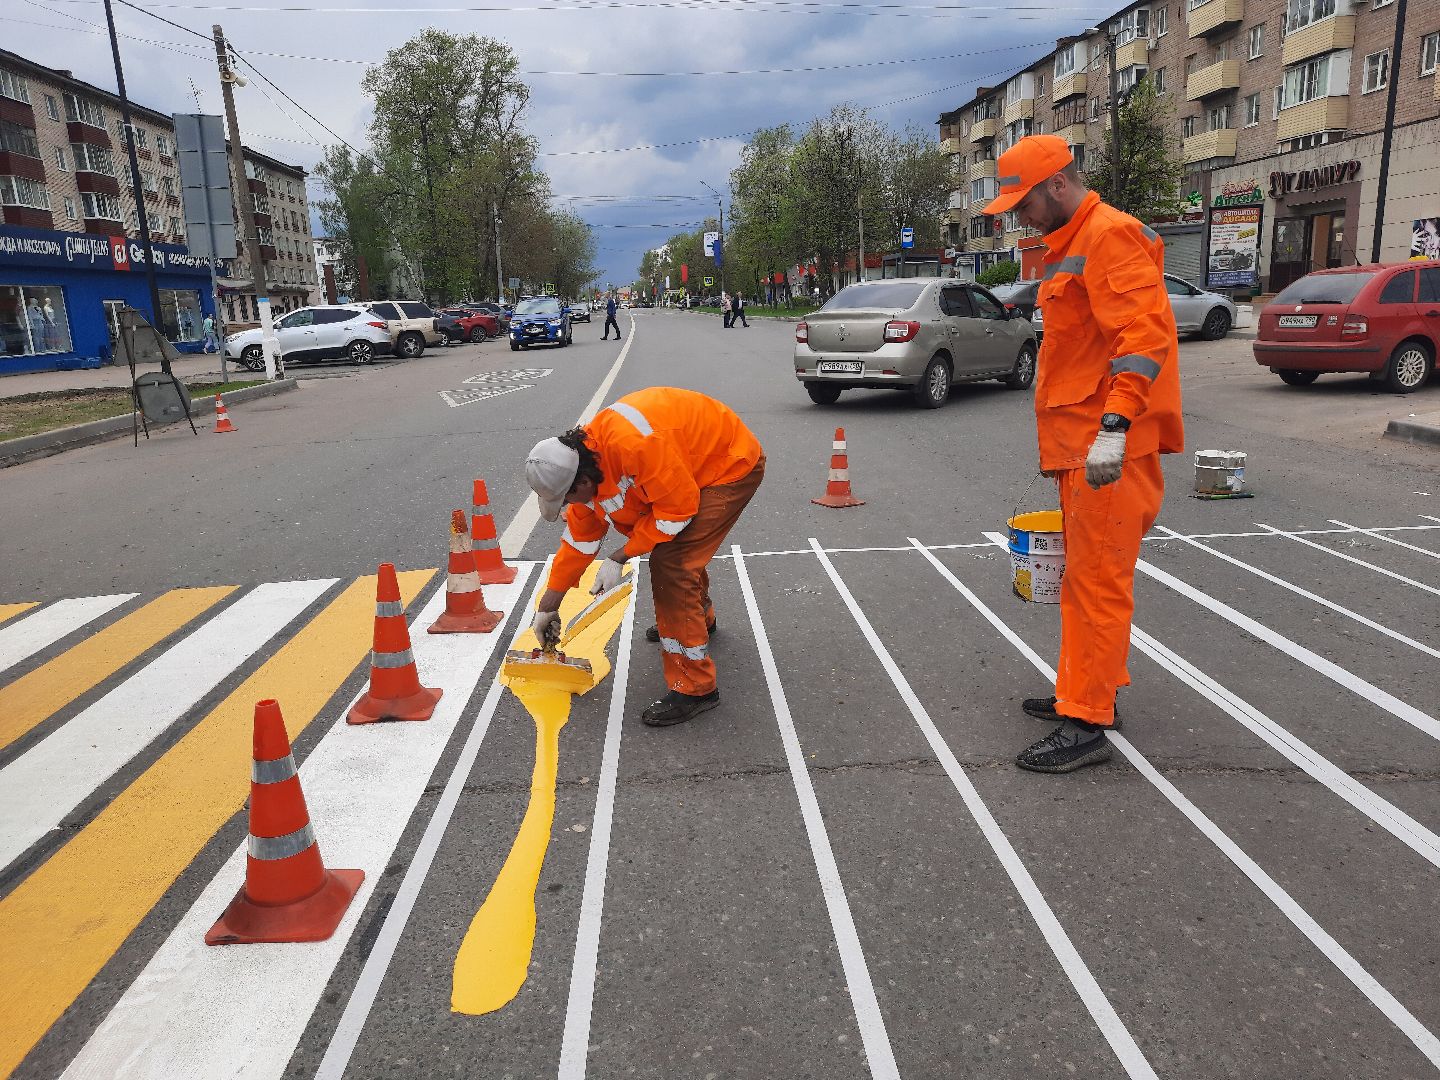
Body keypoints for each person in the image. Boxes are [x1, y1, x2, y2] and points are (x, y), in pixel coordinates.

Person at [981, 133, 1183, 775]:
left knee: (1097, 583)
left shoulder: (1108, 236)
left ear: (1057, 185)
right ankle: (1084, 691)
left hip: (1106, 447)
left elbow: (1142, 338)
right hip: (1085, 445)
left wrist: (1117, 426)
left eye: (1024, 203)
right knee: (1083, 579)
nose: (1019, 216)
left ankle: (1087, 720)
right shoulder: (1071, 243)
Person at [525, 387, 765, 726]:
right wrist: (549, 606)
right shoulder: (587, 467)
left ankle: (695, 687)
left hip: (727, 465)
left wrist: (619, 557)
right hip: (685, 469)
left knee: (672, 564)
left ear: (580, 481)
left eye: (566, 499)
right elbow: (578, 544)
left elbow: (676, 513)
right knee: (676, 553)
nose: (568, 506)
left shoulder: (633, 447)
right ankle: (699, 620)